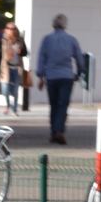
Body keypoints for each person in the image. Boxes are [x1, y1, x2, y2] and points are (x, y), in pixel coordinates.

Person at [36, 13, 84, 144]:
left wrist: (40, 75)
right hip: (66, 76)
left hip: (51, 77)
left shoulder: (46, 39)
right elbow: (79, 58)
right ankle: (59, 131)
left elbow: (42, 58)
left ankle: (53, 132)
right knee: (63, 105)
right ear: (65, 25)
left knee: (54, 105)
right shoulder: (71, 39)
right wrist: (79, 72)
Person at [0, 22, 28, 116]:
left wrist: (21, 51)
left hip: (16, 68)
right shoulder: (2, 39)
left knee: (15, 90)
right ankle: (7, 105)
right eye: (9, 28)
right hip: (5, 68)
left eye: (13, 28)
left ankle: (14, 109)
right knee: (4, 90)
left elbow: (25, 53)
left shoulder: (20, 40)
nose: (11, 30)